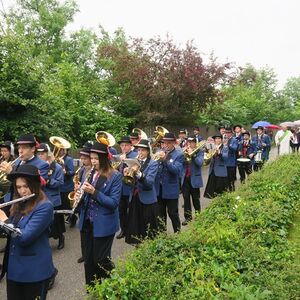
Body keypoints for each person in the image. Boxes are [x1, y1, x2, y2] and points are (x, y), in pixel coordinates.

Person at [0, 164, 55, 300]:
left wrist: (4, 220)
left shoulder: (45, 207)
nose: (22, 191)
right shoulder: (18, 203)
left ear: (34, 185)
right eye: (18, 187)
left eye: (25, 186)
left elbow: (24, 237)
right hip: (14, 268)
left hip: (34, 271)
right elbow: (7, 231)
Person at [76, 141, 122, 287]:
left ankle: (113, 284)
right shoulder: (88, 173)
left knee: (101, 260)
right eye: (92, 158)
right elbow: (85, 197)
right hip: (87, 222)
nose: (93, 161)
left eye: (96, 158)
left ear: (103, 158)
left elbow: (113, 203)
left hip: (104, 223)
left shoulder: (115, 176)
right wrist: (79, 195)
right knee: (88, 260)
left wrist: (94, 192)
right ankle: (93, 290)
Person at [124, 139, 159, 245]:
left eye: (143, 150)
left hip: (147, 199)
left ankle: (149, 248)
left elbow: (149, 183)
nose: (140, 153)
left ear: (148, 151)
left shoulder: (153, 163)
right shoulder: (134, 162)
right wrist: (126, 174)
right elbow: (129, 183)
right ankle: (138, 246)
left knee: (148, 228)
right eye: (139, 150)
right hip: (135, 197)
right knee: (136, 225)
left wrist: (138, 173)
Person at [0, 134, 49, 204]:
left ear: (33, 149)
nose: (20, 151)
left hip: (28, 203)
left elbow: (38, 185)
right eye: (19, 148)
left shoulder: (42, 164)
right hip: (9, 200)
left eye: (24, 148)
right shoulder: (16, 162)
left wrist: (11, 172)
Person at [37, 143, 65, 250]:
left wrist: (48, 181)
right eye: (39, 154)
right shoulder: (37, 167)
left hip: (53, 198)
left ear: (47, 154)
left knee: (57, 222)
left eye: (42, 153)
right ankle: (45, 242)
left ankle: (61, 238)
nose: (40, 156)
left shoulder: (57, 167)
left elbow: (60, 182)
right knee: (44, 223)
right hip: (41, 199)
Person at [155, 132, 184, 233]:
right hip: (159, 188)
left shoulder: (179, 155)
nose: (166, 145)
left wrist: (165, 160)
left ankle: (178, 233)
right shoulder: (159, 152)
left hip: (171, 188)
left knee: (172, 213)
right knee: (160, 214)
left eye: (168, 143)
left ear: (174, 143)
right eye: (164, 143)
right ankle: (162, 236)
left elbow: (176, 171)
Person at [116, 136, 137, 239]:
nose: (124, 147)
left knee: (132, 210)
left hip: (130, 187)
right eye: (122, 145)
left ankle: (131, 230)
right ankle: (123, 229)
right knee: (121, 210)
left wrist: (125, 161)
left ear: (130, 146)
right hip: (120, 187)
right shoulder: (120, 156)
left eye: (126, 145)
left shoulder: (135, 155)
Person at [75, 141, 94, 264]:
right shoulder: (82, 170)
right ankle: (84, 253)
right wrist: (77, 188)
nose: (82, 161)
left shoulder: (94, 171)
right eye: (81, 158)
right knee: (82, 230)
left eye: (85, 158)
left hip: (90, 202)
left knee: (90, 231)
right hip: (82, 202)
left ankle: (90, 254)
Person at [181, 135, 204, 225]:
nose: (190, 144)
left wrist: (193, 154)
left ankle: (198, 216)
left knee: (195, 199)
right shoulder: (184, 151)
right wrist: (184, 154)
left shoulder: (200, 151)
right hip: (185, 179)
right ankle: (188, 217)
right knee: (186, 199)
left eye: (191, 142)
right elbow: (181, 163)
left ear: (195, 143)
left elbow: (200, 163)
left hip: (194, 178)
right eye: (188, 142)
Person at [204, 134, 229, 198]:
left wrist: (219, 153)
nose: (217, 140)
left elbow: (225, 158)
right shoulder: (212, 147)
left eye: (219, 138)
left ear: (221, 140)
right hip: (212, 171)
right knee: (212, 192)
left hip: (221, 172)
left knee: (220, 191)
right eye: (216, 139)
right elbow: (208, 157)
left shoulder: (225, 147)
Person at [58, 147, 75, 227]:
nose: (58, 151)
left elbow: (72, 172)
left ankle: (73, 219)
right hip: (59, 186)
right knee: (60, 207)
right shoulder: (56, 159)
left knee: (68, 206)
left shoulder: (68, 159)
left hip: (67, 186)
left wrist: (66, 172)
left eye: (60, 149)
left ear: (64, 150)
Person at [224, 127, 239, 192]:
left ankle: (232, 193)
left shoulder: (234, 140)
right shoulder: (223, 140)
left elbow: (234, 149)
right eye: (226, 133)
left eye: (228, 133)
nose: (227, 134)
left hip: (231, 163)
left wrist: (228, 144)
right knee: (225, 181)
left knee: (231, 181)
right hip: (224, 162)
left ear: (231, 133)